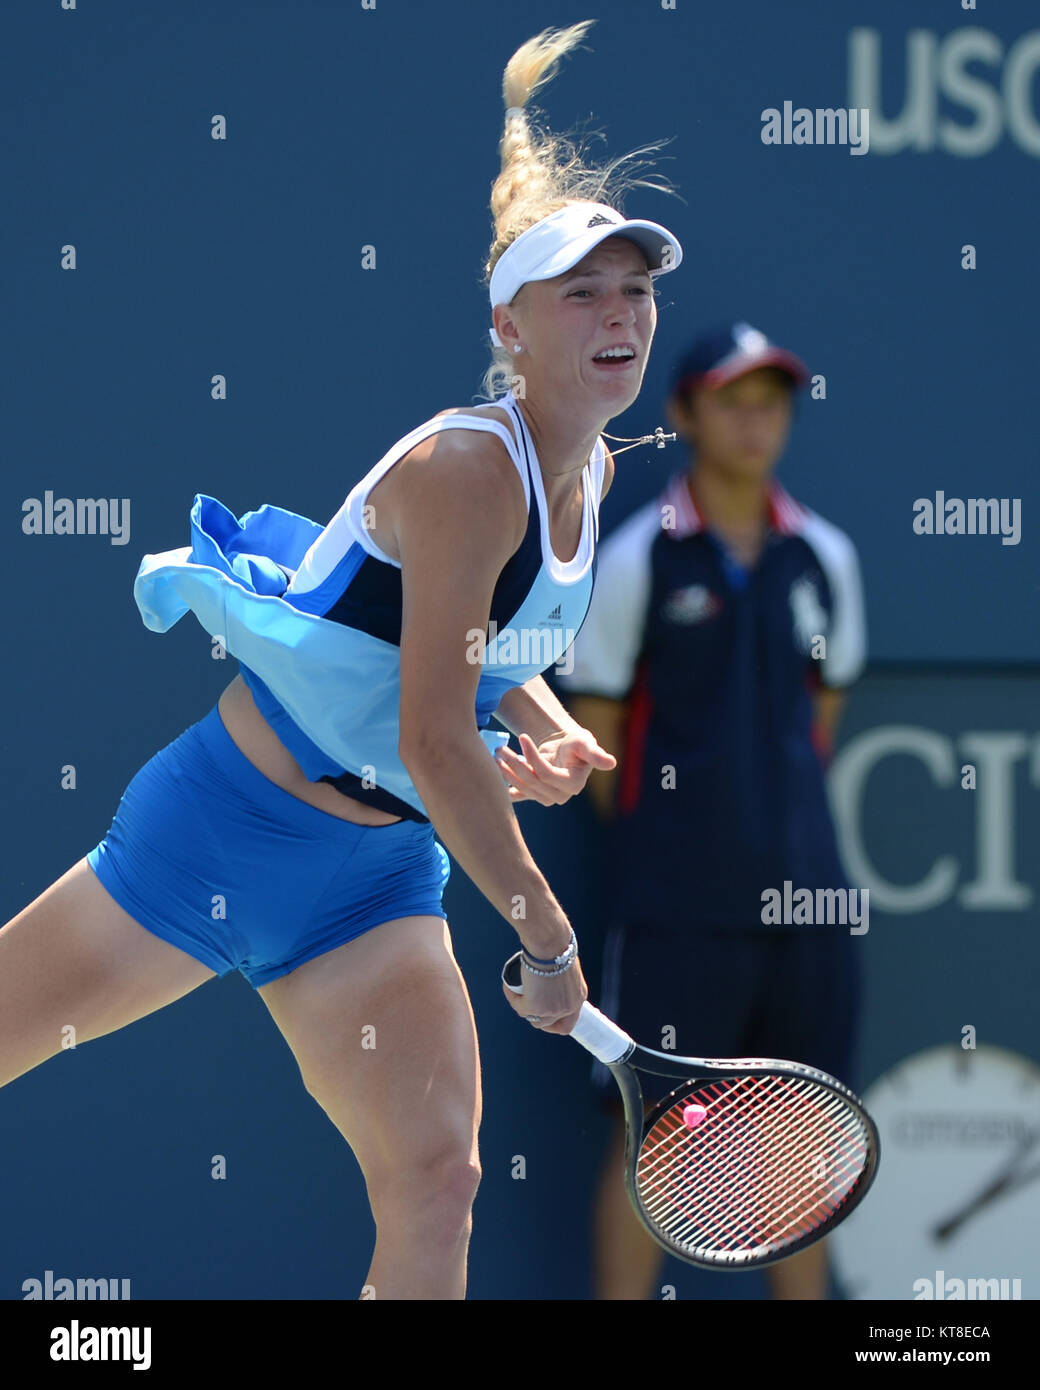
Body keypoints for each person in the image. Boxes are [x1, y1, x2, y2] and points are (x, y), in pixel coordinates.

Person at [0, 21, 685, 1300]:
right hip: (220, 837)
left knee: (439, 1181)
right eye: (582, 292)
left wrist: (535, 720)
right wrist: (543, 933)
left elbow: (466, 657)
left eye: (636, 291)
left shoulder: (586, 471)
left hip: (369, 882)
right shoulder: (470, 469)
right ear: (511, 325)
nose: (619, 315)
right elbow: (430, 733)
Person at [556, 321, 868, 1300]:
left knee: (804, 1140)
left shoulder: (823, 556)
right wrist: (685, 847)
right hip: (675, 912)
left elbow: (821, 716)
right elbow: (597, 738)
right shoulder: (633, 559)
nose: (753, 421)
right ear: (682, 413)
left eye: (769, 400)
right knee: (651, 1135)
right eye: (730, 399)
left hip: (807, 908)